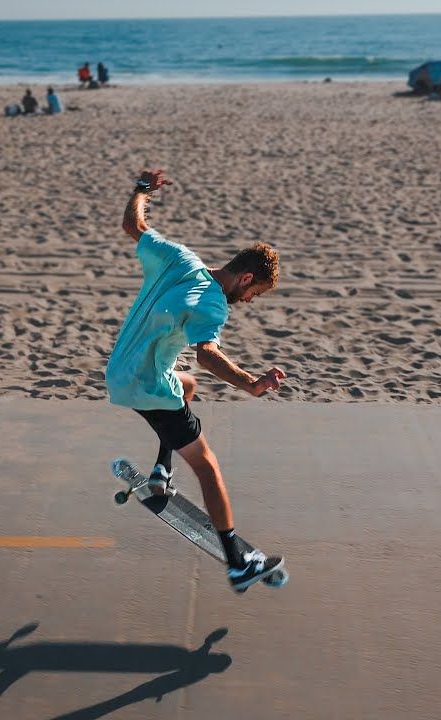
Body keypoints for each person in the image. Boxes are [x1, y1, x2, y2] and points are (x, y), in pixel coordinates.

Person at [107, 168, 287, 592]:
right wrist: (251, 383)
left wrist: (144, 189)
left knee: (185, 386)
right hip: (147, 387)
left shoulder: (179, 259)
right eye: (253, 294)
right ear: (246, 279)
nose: (248, 301)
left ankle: (160, 472)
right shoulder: (212, 306)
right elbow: (208, 355)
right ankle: (238, 562)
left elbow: (133, 224)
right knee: (207, 467)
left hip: (119, 373)